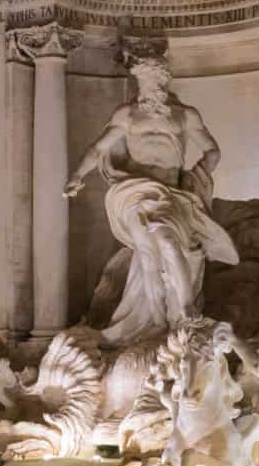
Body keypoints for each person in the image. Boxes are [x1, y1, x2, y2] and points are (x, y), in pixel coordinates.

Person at [66, 52, 238, 347]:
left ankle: (185, 314)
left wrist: (196, 176)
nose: (151, 88)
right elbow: (97, 149)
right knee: (147, 250)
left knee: (168, 243)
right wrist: (77, 175)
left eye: (156, 81)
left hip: (170, 194)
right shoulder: (127, 115)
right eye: (146, 83)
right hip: (134, 192)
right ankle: (159, 320)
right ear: (139, 84)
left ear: (165, 82)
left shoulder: (186, 115)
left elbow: (212, 151)